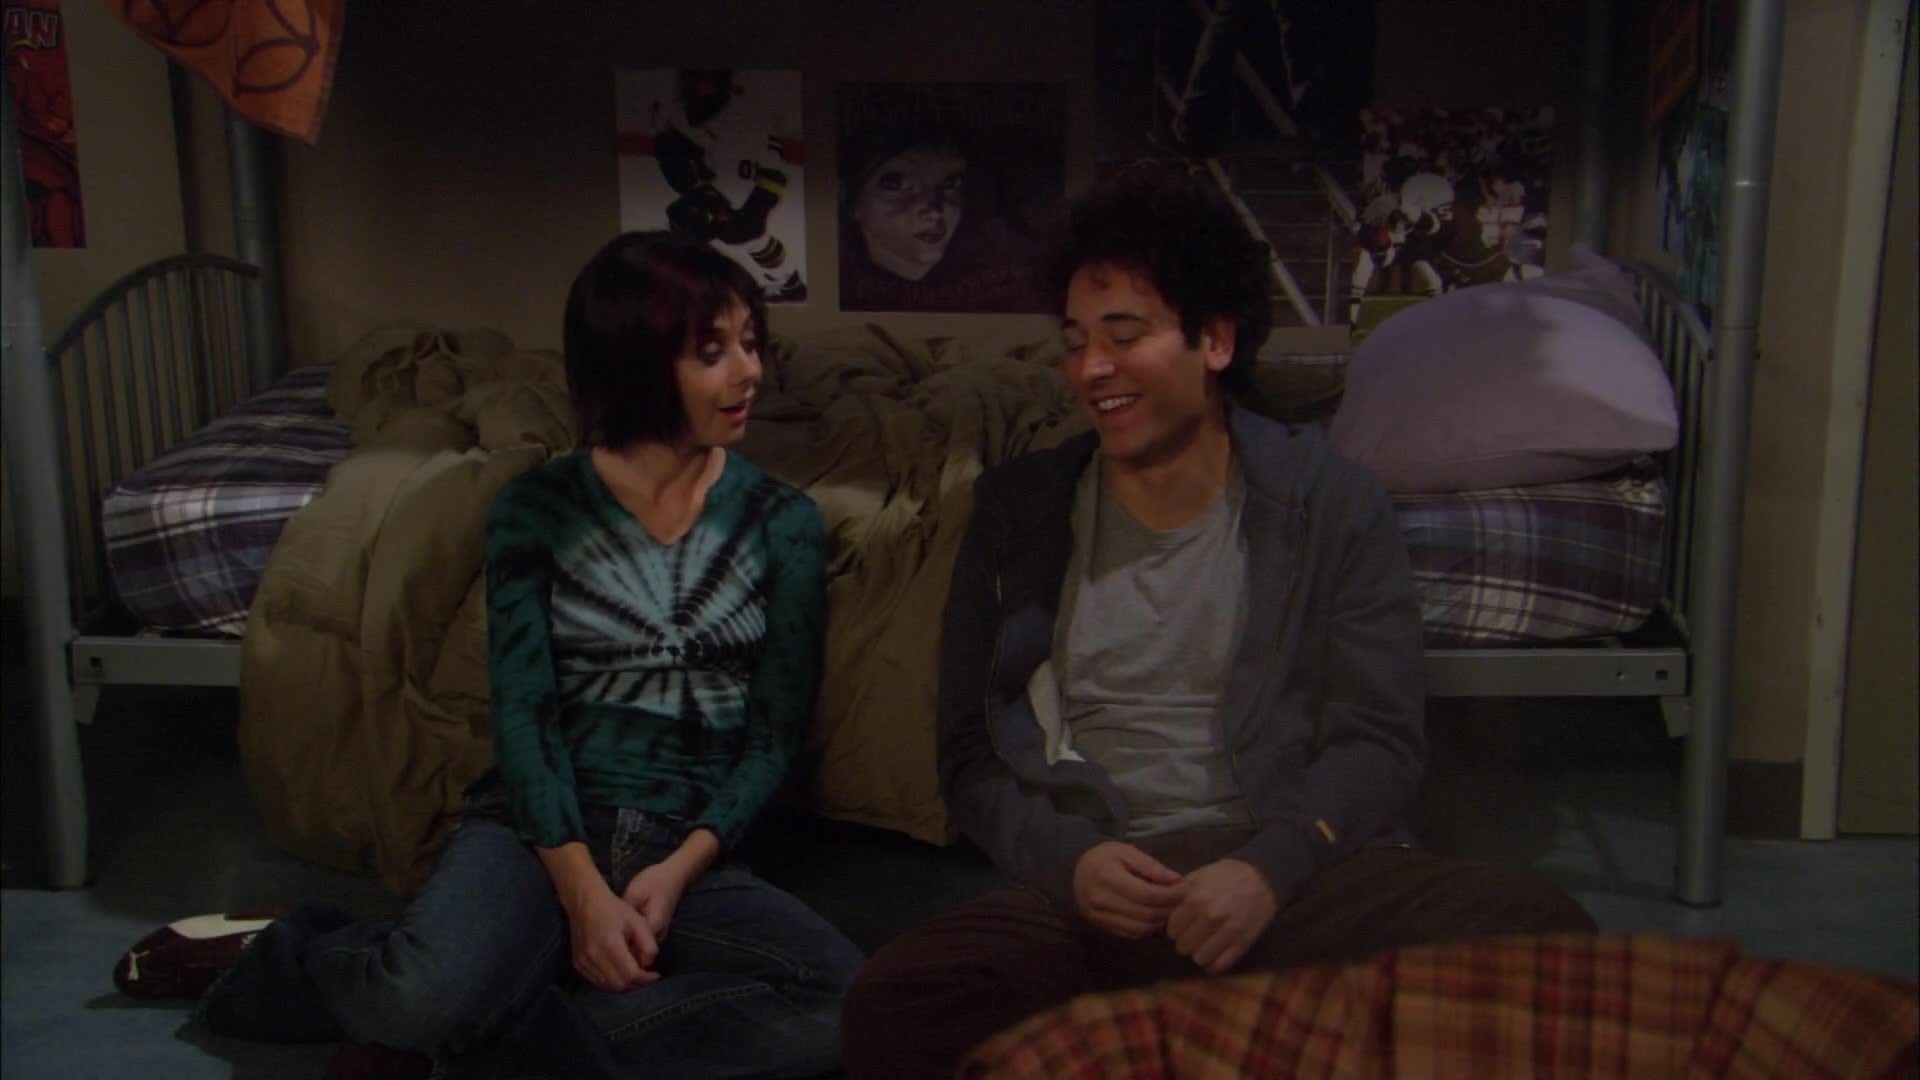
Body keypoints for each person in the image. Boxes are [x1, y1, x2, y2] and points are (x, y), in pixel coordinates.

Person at [839, 164, 1596, 1079]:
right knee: (896, 1005)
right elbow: (970, 754)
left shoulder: (1329, 501)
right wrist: (1070, 861)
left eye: (1125, 335)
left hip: (1285, 864)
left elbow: (1380, 738)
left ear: (1216, 340)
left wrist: (1271, 866)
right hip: (1104, 879)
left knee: (1545, 938)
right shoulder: (1018, 509)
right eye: (1076, 341)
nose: (1091, 368)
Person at [111, 231, 863, 1078]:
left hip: (684, 841)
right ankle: (300, 952)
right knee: (420, 997)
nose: (750, 372)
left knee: (850, 1004)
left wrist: (683, 867)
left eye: (751, 343)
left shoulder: (783, 522)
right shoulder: (537, 509)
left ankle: (519, 1028)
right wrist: (582, 894)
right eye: (713, 352)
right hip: (540, 829)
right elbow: (525, 717)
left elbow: (771, 737)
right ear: (635, 361)